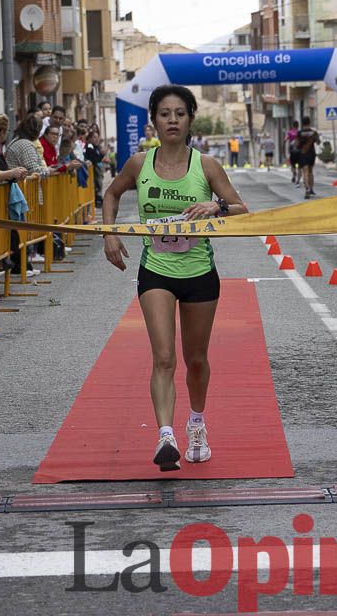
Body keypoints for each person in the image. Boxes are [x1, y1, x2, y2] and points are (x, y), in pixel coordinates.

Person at [101, 85, 248, 471]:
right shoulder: (139, 164)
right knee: (164, 357)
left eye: (179, 114)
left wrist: (216, 206)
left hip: (199, 272)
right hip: (156, 271)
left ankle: (196, 424)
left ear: (190, 119)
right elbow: (111, 194)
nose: (172, 120)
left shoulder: (207, 166)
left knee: (195, 359)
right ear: (154, 120)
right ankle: (165, 436)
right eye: (164, 114)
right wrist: (109, 234)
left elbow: (241, 209)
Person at [294, 117, 320, 198]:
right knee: (310, 171)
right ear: (309, 122)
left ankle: (307, 189)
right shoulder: (314, 132)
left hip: (303, 154)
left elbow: (296, 144)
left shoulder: (299, 133)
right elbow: (318, 142)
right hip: (311, 154)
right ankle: (311, 189)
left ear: (302, 123)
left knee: (305, 172)